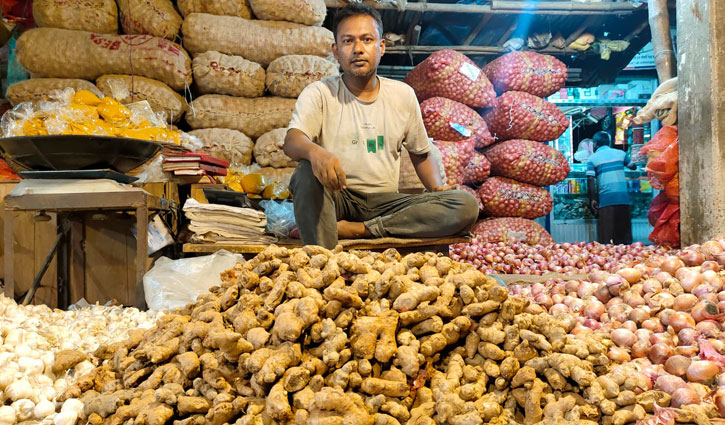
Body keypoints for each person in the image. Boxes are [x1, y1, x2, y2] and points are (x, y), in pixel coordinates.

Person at [283, 3, 479, 249]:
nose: (358, 49)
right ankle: (323, 260)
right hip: (338, 197)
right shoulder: (320, 93)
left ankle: (359, 230)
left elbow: (421, 153)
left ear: (381, 46)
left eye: (367, 40)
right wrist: (315, 152)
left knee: (464, 205)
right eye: (347, 41)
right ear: (335, 50)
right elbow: (292, 141)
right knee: (304, 172)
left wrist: (436, 187)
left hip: (387, 204)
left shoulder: (402, 95)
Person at [586, 131, 637, 244]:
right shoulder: (621, 154)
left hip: (606, 201)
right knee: (624, 236)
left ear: (595, 144)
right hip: (623, 200)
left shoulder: (592, 159)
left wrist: (593, 199)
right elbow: (633, 167)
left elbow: (590, 179)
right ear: (608, 142)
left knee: (607, 237)